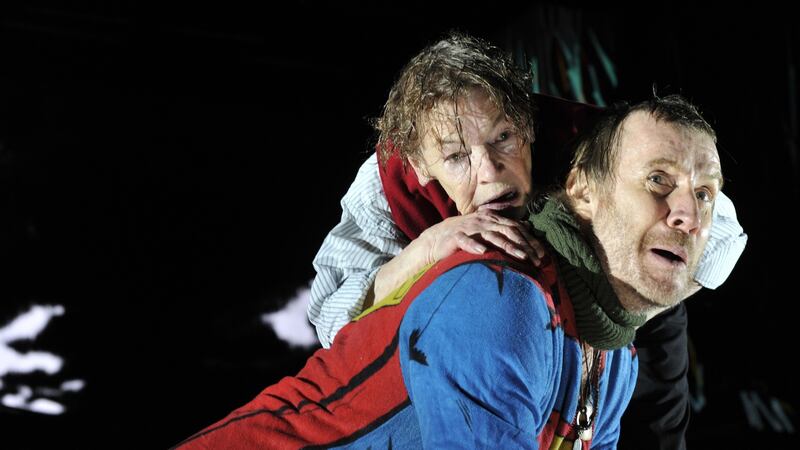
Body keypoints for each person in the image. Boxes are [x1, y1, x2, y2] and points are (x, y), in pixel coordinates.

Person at [173, 37, 730, 448]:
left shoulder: (609, 146)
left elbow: (710, 233)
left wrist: (655, 272)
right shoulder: (387, 189)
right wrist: (427, 247)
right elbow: (331, 317)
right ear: (421, 166)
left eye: (504, 139)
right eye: (458, 157)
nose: (490, 173)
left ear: (528, 125)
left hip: (605, 289)